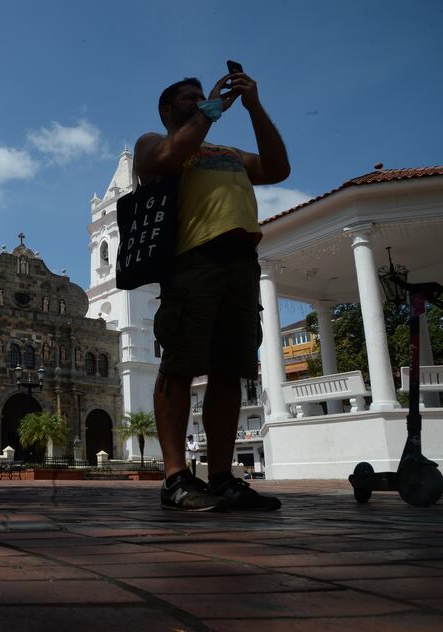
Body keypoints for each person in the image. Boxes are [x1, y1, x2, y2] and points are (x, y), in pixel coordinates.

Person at [135, 71, 289, 512]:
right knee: (179, 366)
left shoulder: (229, 153)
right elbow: (165, 156)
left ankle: (222, 476)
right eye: (189, 98)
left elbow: (278, 168)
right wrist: (212, 111)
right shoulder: (152, 142)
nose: (200, 101)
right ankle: (175, 477)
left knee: (230, 369)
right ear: (168, 109)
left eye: (202, 97)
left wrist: (254, 106)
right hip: (192, 261)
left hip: (241, 262)